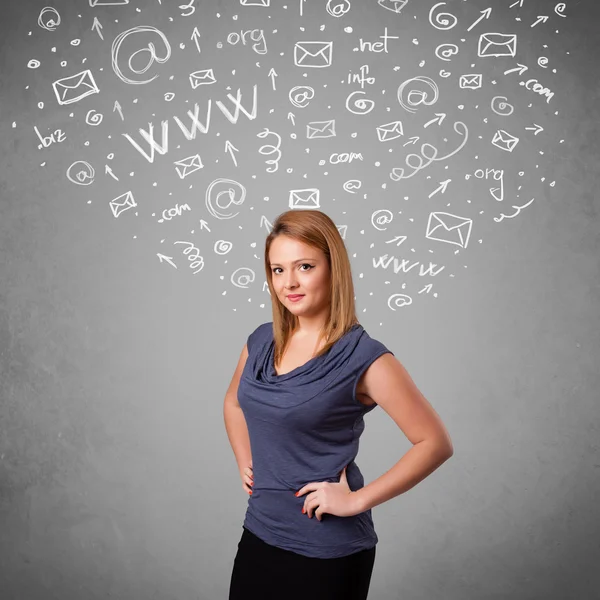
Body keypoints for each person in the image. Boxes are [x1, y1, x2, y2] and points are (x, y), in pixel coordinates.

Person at [224, 210, 453, 600]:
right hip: (260, 533)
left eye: (305, 266)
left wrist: (356, 500)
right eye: (278, 270)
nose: (289, 282)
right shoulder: (261, 341)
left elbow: (435, 442)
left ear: (334, 269)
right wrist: (246, 461)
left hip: (326, 554)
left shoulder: (365, 357)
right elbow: (234, 403)